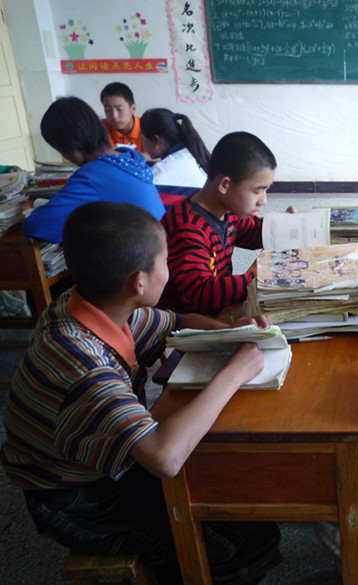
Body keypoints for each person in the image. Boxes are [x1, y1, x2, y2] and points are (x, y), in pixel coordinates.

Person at [2, 201, 282, 585]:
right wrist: (233, 374)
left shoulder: (95, 305)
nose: (170, 270)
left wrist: (233, 332)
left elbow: (177, 322)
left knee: (226, 476)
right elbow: (163, 458)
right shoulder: (83, 365)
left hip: (98, 458)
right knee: (246, 538)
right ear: (139, 282)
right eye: (165, 261)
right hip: (75, 497)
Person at [158, 131, 294, 315]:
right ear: (225, 185)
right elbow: (202, 293)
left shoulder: (228, 212)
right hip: (188, 325)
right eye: (257, 191)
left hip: (216, 314)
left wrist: (287, 227)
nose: (264, 201)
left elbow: (256, 232)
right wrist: (267, 278)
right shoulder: (188, 228)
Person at [23, 97, 165, 243]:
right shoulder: (130, 159)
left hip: (138, 254)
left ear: (71, 145)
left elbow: (38, 227)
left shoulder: (93, 175)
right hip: (159, 249)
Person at [140, 108, 210, 188]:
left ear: (156, 140)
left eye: (142, 137)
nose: (142, 142)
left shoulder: (155, 176)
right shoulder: (193, 154)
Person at [100, 82, 146, 155]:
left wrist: (118, 155)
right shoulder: (99, 128)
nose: (114, 116)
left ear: (133, 108)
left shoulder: (148, 127)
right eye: (108, 110)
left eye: (120, 109)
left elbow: (158, 157)